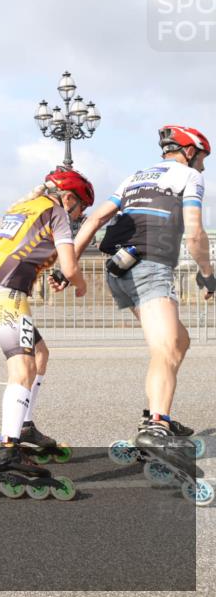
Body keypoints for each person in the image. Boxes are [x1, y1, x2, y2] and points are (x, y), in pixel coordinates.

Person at [73, 125, 215, 473]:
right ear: (190, 152)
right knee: (165, 349)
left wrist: (68, 263)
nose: (204, 167)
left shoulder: (135, 177)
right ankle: (157, 426)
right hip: (150, 266)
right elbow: (195, 233)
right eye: (204, 159)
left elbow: (97, 217)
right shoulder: (188, 177)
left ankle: (156, 412)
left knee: (179, 340)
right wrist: (208, 273)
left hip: (119, 270)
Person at [0, 167, 93, 482]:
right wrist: (80, 283)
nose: (80, 215)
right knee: (22, 369)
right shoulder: (56, 212)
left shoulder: (21, 208)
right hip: (7, 292)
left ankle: (23, 425)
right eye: (81, 207)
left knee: (40, 354)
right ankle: (9, 450)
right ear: (69, 198)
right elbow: (69, 264)